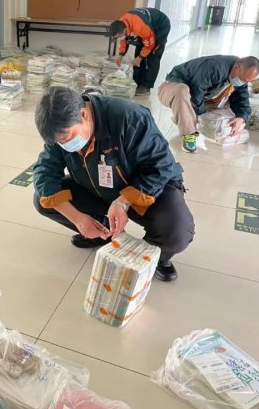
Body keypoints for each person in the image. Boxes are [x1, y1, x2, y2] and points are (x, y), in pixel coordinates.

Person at [32, 87, 195, 282]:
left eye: (67, 138)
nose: (64, 145)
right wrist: (78, 219)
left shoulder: (129, 117)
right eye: (58, 142)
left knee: (176, 231)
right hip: (98, 188)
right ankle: (103, 235)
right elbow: (44, 171)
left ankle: (155, 256)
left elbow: (160, 166)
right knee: (43, 199)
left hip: (147, 188)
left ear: (83, 115)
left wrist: (123, 202)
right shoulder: (59, 128)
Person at [159, 55, 259, 153]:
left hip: (198, 96)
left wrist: (242, 117)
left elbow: (242, 98)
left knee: (227, 104)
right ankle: (189, 133)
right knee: (182, 90)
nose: (242, 83)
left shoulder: (241, 74)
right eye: (242, 80)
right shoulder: (215, 67)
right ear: (237, 68)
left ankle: (183, 117)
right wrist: (203, 115)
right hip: (172, 89)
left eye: (246, 81)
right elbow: (196, 93)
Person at [109, 8, 171, 96]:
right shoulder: (121, 24)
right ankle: (136, 81)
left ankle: (146, 86)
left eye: (118, 36)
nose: (118, 38)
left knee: (153, 55)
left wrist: (140, 58)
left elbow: (149, 44)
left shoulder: (140, 26)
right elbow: (124, 40)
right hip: (146, 26)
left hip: (160, 25)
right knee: (139, 51)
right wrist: (121, 55)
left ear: (124, 30)